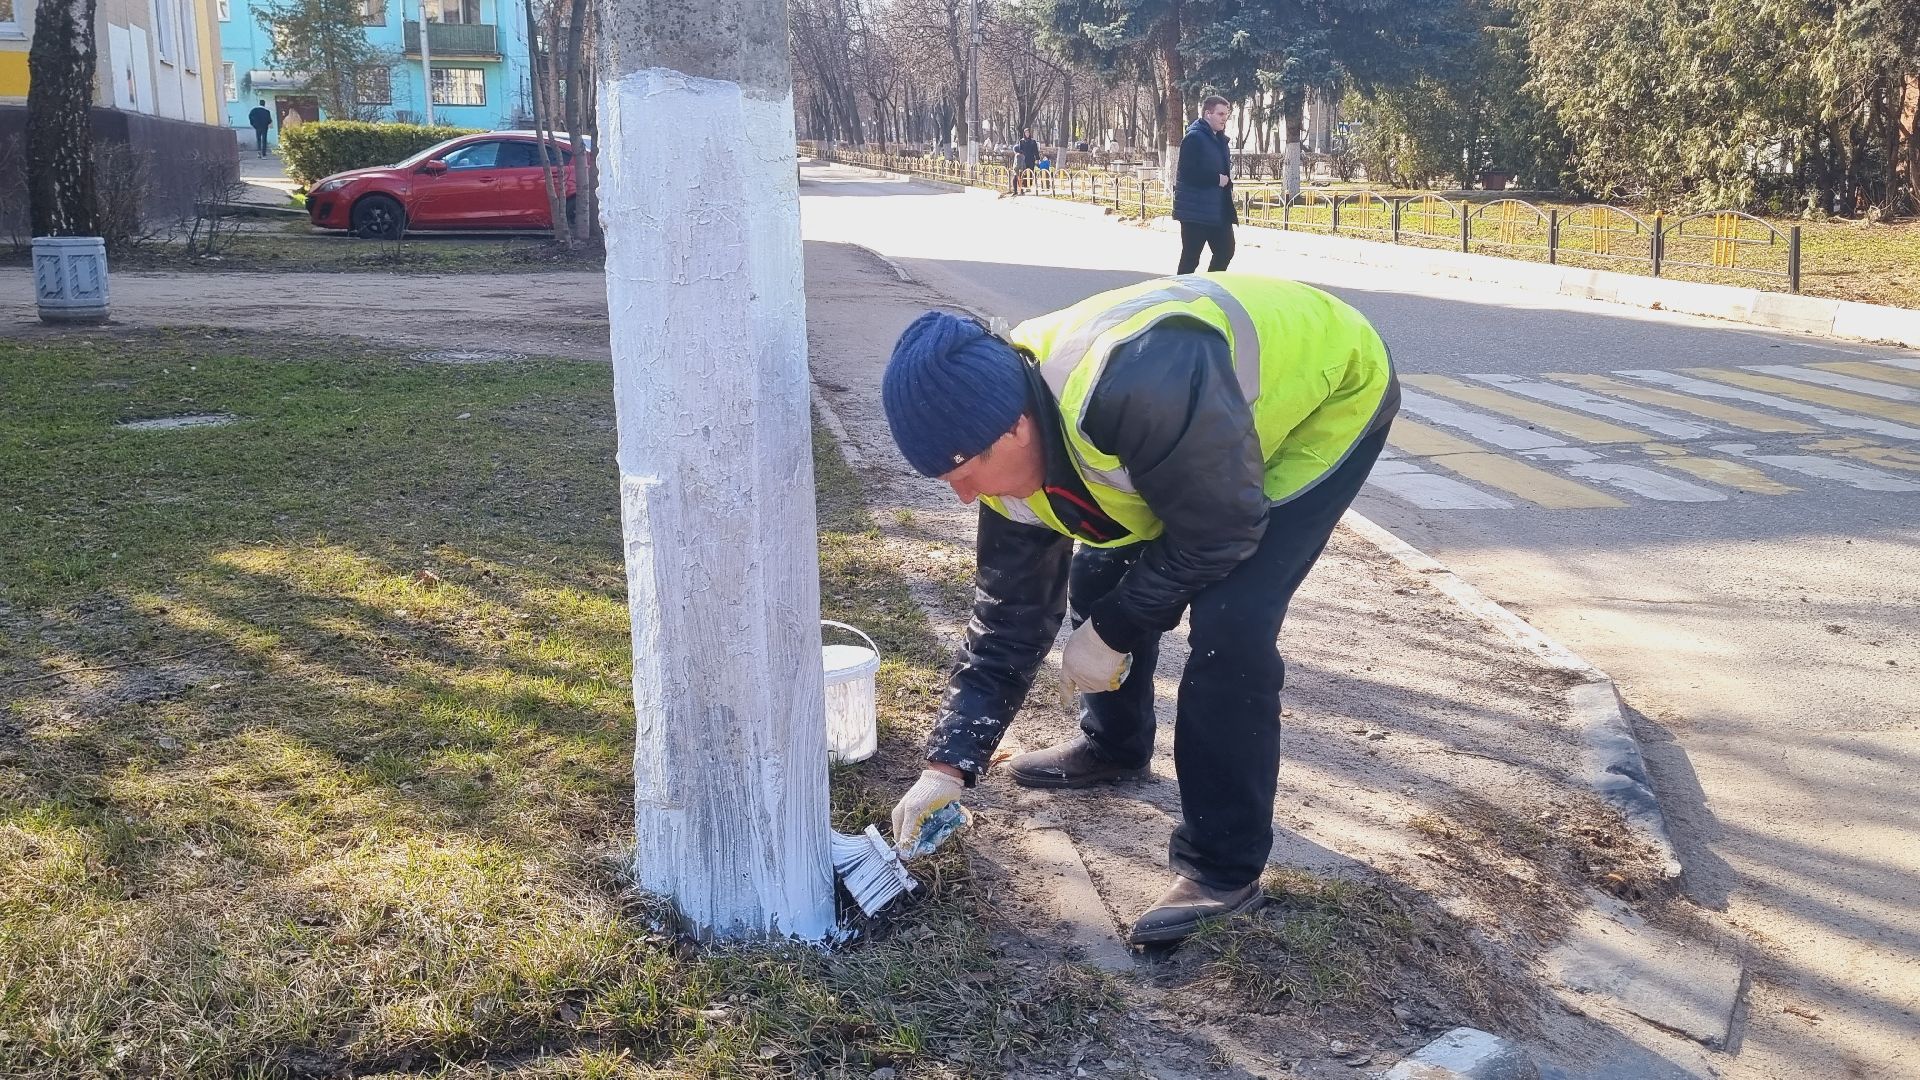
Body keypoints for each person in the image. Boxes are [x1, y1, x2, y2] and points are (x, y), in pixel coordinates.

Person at [881, 273, 1399, 946]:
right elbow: (1008, 614)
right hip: (1196, 442)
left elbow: (1221, 530)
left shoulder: (1135, 382)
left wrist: (1114, 630)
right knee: (1103, 570)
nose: (959, 496)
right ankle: (1114, 747)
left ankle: (1223, 869)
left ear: (1013, 427)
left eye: (962, 471)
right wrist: (947, 766)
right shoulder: (1000, 438)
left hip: (1325, 397)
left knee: (1232, 624)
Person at [1173, 95, 1236, 274]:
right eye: (1220, 113)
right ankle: (1181, 295)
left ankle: (1209, 288)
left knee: (1225, 251)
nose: (1224, 118)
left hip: (1217, 210)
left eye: (1226, 114)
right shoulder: (1194, 137)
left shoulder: (1220, 140)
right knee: (1191, 258)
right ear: (1208, 114)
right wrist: (1216, 179)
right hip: (1195, 210)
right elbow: (1187, 172)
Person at [1015, 128, 1040, 194]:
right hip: (1024, 160)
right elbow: (1020, 151)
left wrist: (1037, 159)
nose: (1027, 134)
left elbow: (1036, 151)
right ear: (1024, 134)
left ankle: (1029, 186)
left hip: (1031, 159)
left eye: (1028, 133)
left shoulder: (1033, 141)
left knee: (1031, 173)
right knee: (1024, 173)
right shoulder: (1021, 141)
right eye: (1026, 133)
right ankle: (1025, 186)